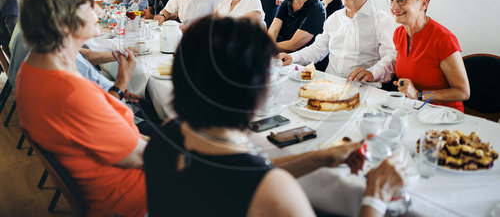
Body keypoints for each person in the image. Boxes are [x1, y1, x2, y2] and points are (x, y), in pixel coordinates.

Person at [144, 16, 406, 217]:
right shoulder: (275, 193)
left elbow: (239, 175)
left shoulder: (164, 138)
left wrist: (321, 157)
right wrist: (376, 197)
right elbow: (256, 181)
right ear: (255, 92)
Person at [16, 0, 147, 216]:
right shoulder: (69, 92)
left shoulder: (33, 68)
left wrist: (119, 86)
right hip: (135, 199)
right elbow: (140, 157)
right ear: (64, 19)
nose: (99, 11)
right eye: (90, 5)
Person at [278, 0, 396, 83]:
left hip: (364, 88)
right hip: (330, 84)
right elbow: (317, 49)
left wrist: (372, 72)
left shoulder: (383, 21)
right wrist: (293, 57)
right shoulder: (334, 18)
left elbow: (391, 58)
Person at [389, 0, 470, 112]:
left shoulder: (444, 39)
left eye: (402, 0)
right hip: (414, 110)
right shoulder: (398, 34)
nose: (394, 6)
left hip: (444, 115)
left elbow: (463, 92)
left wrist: (418, 95)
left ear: (423, 3)